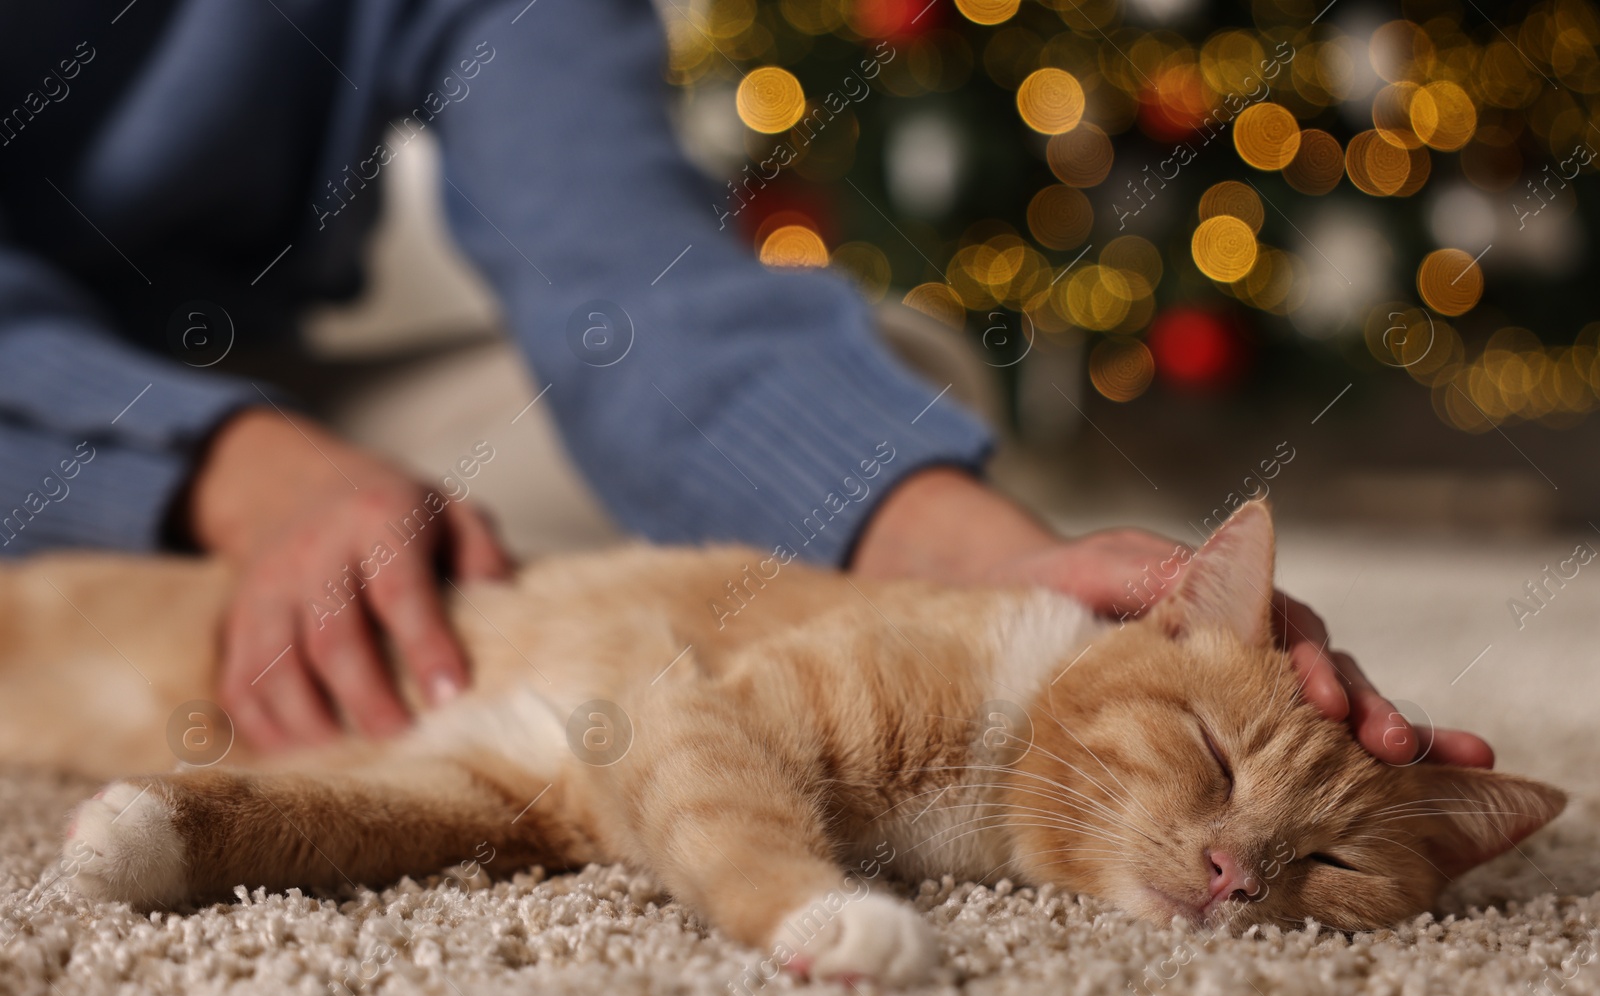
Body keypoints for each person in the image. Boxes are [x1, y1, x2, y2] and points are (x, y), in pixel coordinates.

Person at [0, 1, 1489, 767]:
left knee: (893, 376)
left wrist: (990, 571)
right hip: (62, 398)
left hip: (277, 378)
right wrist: (256, 474)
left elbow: (635, 290)